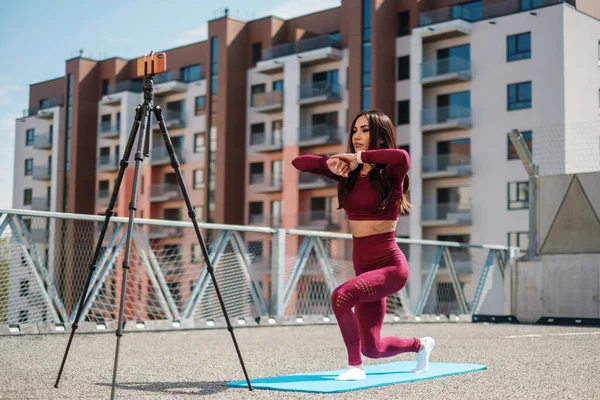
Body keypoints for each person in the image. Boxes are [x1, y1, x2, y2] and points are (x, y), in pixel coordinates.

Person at [291, 109, 434, 381]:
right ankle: (422, 345)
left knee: (340, 297)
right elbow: (299, 162)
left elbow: (402, 156)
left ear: (380, 137)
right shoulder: (350, 174)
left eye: (365, 130)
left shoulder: (391, 171)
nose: (357, 135)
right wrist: (329, 162)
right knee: (374, 348)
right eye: (355, 130)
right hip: (365, 270)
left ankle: (355, 367)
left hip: (390, 267)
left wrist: (360, 157)